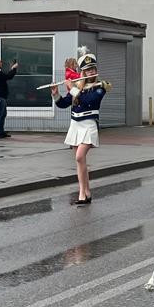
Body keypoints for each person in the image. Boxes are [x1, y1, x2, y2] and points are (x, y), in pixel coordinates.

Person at [52, 51, 106, 204]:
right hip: (76, 125)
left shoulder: (100, 86)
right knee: (80, 161)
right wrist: (56, 94)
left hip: (89, 125)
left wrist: (72, 89)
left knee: (79, 156)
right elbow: (64, 104)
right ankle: (86, 192)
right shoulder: (78, 86)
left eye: (93, 69)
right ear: (83, 72)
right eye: (88, 70)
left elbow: (89, 101)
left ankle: (82, 193)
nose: (91, 72)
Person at [0, 56, 20, 138]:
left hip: (1, 97)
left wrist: (12, 69)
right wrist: (13, 68)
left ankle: (0, 131)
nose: (1, 64)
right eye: (0, 62)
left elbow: (6, 76)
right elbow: (8, 76)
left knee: (2, 114)